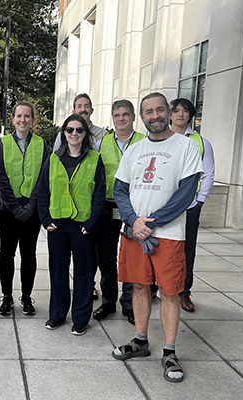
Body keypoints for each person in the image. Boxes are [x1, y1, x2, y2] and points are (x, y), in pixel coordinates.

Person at [111, 93, 203, 383]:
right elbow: (120, 190)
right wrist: (133, 221)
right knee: (138, 286)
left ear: (169, 112)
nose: (154, 116)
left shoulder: (186, 147)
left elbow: (187, 192)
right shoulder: (134, 151)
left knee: (170, 292)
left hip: (169, 235)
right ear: (143, 116)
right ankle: (140, 341)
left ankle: (169, 350)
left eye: (159, 110)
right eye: (148, 112)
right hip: (135, 234)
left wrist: (153, 223)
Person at [38, 114, 106, 335]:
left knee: (84, 273)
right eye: (70, 130)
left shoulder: (95, 159)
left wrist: (91, 222)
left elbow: (99, 195)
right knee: (58, 271)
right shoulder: (53, 159)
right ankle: (57, 314)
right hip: (58, 225)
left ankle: (80, 318)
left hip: (83, 226)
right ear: (64, 133)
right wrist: (45, 220)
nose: (74, 134)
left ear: (86, 134)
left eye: (79, 130)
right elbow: (43, 192)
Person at [92, 100, 145, 325]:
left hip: (135, 207)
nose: (121, 119)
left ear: (133, 117)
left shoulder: (145, 142)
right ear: (112, 119)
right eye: (117, 115)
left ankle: (130, 304)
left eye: (125, 115)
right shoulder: (101, 143)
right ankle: (109, 301)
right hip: (107, 206)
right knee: (106, 257)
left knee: (132, 257)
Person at [0, 101, 48, 316]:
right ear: (13, 119)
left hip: (31, 211)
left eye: (27, 116)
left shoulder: (41, 144)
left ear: (32, 119)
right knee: (6, 253)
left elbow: (43, 178)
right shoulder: (3, 144)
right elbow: (1, 177)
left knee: (29, 254)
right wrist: (15, 207)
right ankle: (6, 297)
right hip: (8, 210)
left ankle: (26, 297)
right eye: (19, 116)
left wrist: (31, 205)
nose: (23, 120)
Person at [169, 98, 215, 312]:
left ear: (190, 115)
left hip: (189, 207)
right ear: (169, 114)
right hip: (163, 206)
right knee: (161, 247)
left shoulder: (201, 142)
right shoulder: (160, 138)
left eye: (184, 111)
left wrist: (199, 201)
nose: (180, 114)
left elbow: (208, 174)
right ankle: (155, 287)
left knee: (187, 251)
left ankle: (184, 292)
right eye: (176, 110)